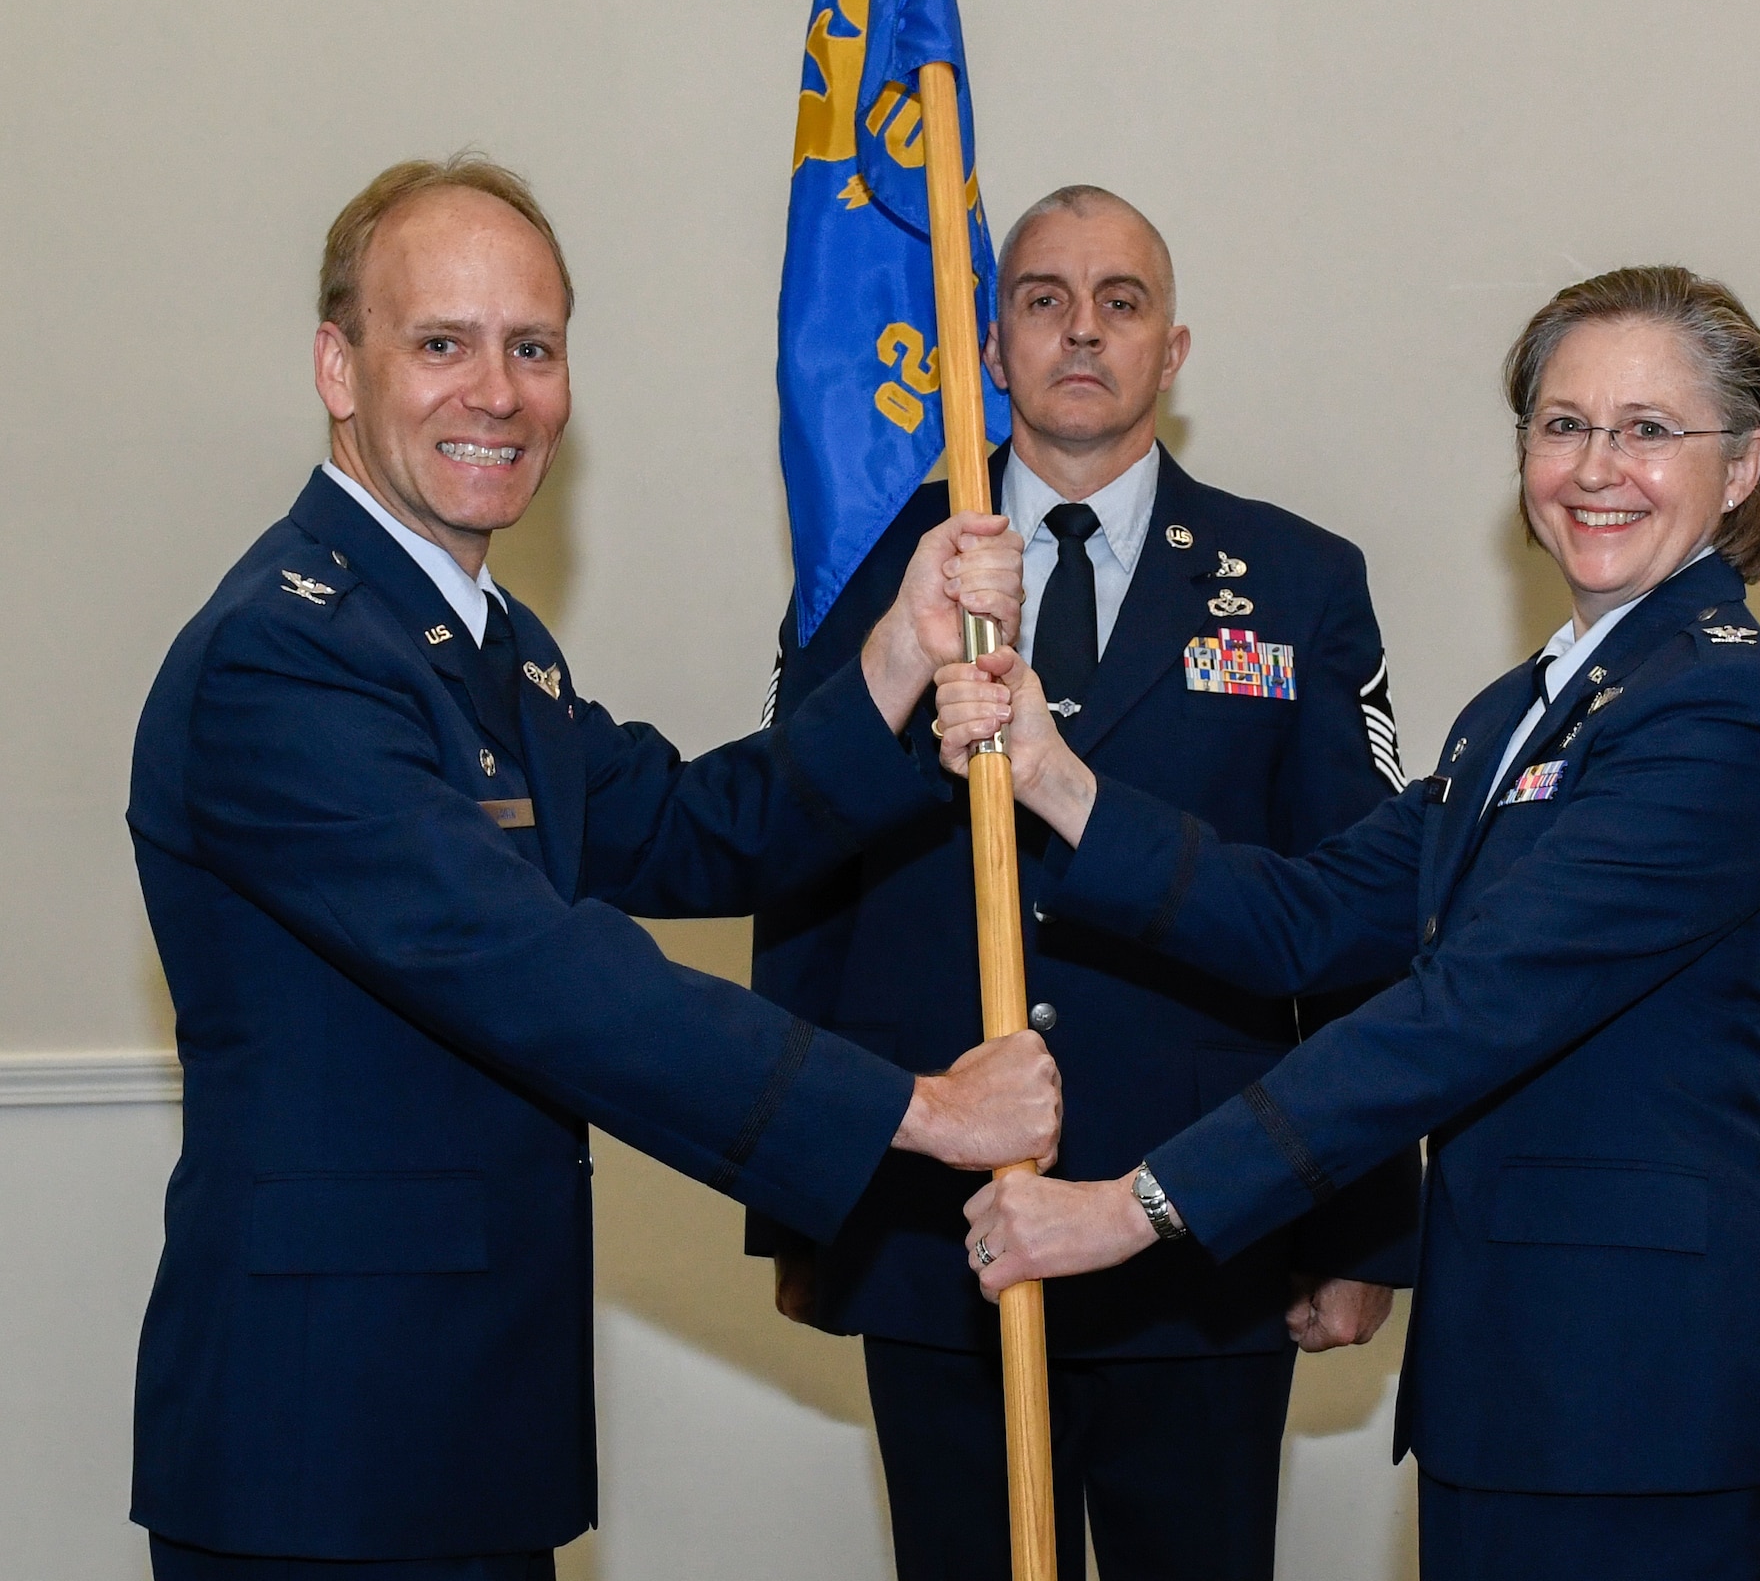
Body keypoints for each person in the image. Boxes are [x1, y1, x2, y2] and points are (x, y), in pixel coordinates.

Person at [124, 154, 1060, 1581]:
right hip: (323, 1444)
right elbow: (538, 968)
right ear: (338, 364)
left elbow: (693, 825)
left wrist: (896, 657)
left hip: (471, 1418)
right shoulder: (288, 653)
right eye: (440, 342)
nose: (494, 391)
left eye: (533, 347)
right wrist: (915, 1112)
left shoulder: (489, 646)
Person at [938, 266, 1760, 1579]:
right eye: (1561, 424)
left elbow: (1467, 1010)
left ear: (1746, 465)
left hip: (1656, 1395)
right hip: (1513, 1384)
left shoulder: (1719, 714)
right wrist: (1052, 777)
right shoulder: (1515, 716)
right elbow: (1307, 914)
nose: (1596, 468)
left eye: (1650, 429)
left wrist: (1137, 1208)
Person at [748, 184, 1419, 1581]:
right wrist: (802, 1190)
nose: (1082, 333)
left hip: (1201, 1231)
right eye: (1043, 299)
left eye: (1123, 303)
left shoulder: (1296, 582)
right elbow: (800, 863)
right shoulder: (877, 564)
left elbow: (1357, 916)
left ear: (1173, 351)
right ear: (989, 346)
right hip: (937, 1221)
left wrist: (1364, 1221)